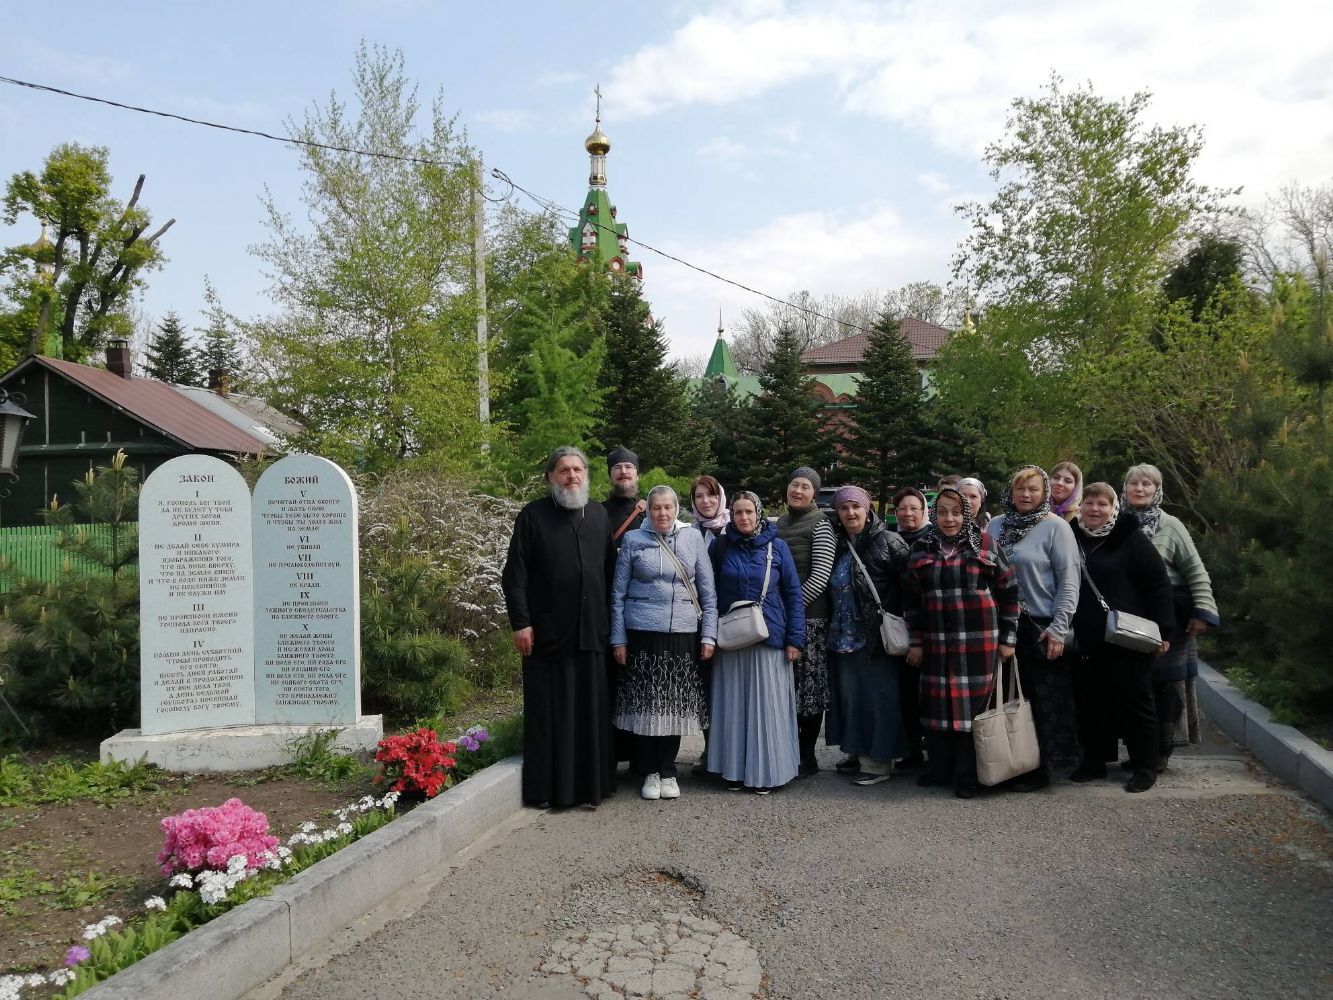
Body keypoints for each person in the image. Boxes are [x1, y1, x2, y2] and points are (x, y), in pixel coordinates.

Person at [502, 446, 616, 810]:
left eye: (578, 469)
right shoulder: (532, 516)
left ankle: (592, 786)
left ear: (586, 475)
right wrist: (521, 623)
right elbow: (514, 575)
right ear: (551, 476)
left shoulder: (598, 514)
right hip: (548, 635)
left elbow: (611, 574)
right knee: (550, 715)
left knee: (591, 712)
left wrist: (614, 627)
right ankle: (549, 790)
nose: (572, 476)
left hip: (591, 633)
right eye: (564, 470)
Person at [905, 487, 1019, 798]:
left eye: (955, 512)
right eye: (942, 512)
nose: (949, 518)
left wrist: (1008, 639)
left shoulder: (985, 544)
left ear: (966, 513)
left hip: (978, 644)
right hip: (936, 644)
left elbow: (1009, 593)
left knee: (973, 713)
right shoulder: (921, 548)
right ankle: (939, 769)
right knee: (938, 708)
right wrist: (916, 642)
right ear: (934, 514)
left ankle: (968, 775)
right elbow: (911, 602)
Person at [610, 486, 717, 801]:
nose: (662, 513)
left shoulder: (692, 538)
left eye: (668, 507)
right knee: (644, 705)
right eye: (656, 507)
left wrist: (708, 634)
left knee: (673, 706)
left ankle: (668, 769)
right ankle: (650, 772)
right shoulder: (633, 541)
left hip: (683, 634)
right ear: (648, 510)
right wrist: (618, 638)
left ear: (676, 508)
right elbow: (616, 595)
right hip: (642, 633)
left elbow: (708, 593)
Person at [1068, 482, 1174, 793]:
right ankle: (1095, 761)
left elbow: (1158, 585)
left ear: (1114, 507)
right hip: (1087, 639)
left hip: (1127, 638)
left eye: (1102, 503)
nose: (1095, 510)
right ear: (1081, 506)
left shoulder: (1130, 538)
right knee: (1091, 703)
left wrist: (1164, 630)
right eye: (1089, 503)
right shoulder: (1071, 536)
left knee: (1136, 702)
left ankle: (1145, 764)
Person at [986, 466, 1081, 791]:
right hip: (1001, 623)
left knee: (1044, 699)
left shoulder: (1055, 528)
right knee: (1008, 696)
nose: (1026, 495)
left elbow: (1069, 582)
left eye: (1034, 490)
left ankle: (1041, 769)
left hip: (1040, 625)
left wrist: (1058, 628)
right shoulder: (996, 525)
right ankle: (1007, 763)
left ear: (1044, 494)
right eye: (1020, 489)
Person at [1122, 463, 1219, 769]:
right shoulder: (1117, 524)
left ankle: (1161, 752)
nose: (1139, 489)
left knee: (1166, 686)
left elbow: (1196, 571)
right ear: (1124, 489)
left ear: (1157, 490)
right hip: (1129, 619)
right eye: (1134, 484)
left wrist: (1203, 611)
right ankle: (1141, 751)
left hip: (1171, 618)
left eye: (1146, 484)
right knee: (1136, 686)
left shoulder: (1171, 525)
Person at [708, 491, 806, 793]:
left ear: (759, 512)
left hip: (770, 636)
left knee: (767, 710)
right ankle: (734, 770)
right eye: (737, 512)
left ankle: (767, 773)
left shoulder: (778, 547)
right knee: (734, 707)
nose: (744, 517)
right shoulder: (721, 546)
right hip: (732, 638)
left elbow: (793, 594)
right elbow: (708, 591)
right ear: (731, 516)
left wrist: (795, 639)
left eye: (749, 511)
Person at [825, 485, 911, 786]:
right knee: (850, 698)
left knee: (878, 699)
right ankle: (858, 750)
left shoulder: (889, 541)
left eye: (856, 507)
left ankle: (878, 761)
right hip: (842, 635)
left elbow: (911, 589)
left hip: (875, 636)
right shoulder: (837, 543)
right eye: (844, 508)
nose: (850, 513)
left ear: (867, 509)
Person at [776, 467, 836, 778]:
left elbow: (820, 578)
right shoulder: (780, 523)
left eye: (805, 486)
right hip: (783, 619)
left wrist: (788, 609)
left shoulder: (821, 525)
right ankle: (788, 749)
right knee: (786, 688)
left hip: (811, 619)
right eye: (794, 484)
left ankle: (807, 755)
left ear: (814, 493)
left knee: (810, 690)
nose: (798, 491)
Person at [890, 487, 931, 768]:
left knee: (929, 693)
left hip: (930, 626)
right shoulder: (890, 541)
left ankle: (935, 751)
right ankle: (911, 749)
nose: (908, 514)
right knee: (904, 692)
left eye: (914, 508)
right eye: (902, 509)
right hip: (898, 626)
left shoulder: (932, 541)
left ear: (923, 511)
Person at [603, 446, 646, 547]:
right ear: (610, 476)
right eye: (617, 467)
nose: (623, 471)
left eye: (628, 466)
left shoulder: (649, 512)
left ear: (637, 476)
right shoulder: (597, 512)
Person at [690, 474, 729, 550]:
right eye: (699, 496)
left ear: (720, 497)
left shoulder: (737, 526)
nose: (705, 501)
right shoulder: (690, 533)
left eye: (711, 494)